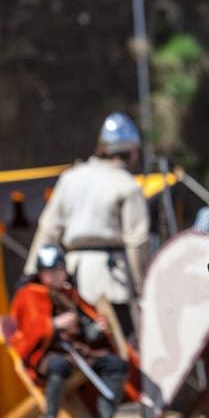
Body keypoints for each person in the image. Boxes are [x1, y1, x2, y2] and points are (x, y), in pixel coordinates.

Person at [24, 113, 150, 338]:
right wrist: (143, 289)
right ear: (132, 152)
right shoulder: (127, 185)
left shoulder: (70, 178)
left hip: (71, 280)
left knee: (80, 352)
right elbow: (136, 243)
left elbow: (48, 230)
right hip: (112, 283)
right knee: (118, 353)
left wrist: (31, 274)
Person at [9, 245, 132, 418]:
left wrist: (96, 329)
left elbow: (85, 333)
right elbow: (26, 332)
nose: (55, 276)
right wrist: (53, 326)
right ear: (40, 273)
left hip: (78, 353)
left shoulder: (71, 294)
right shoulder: (30, 294)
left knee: (115, 365)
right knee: (59, 366)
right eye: (49, 272)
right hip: (46, 354)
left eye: (58, 271)